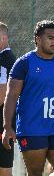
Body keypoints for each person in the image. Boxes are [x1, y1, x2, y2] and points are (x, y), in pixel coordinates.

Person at [2, 20, 54, 176]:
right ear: (37, 39)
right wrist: (7, 127)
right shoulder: (23, 63)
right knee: (35, 173)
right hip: (32, 129)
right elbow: (11, 95)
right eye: (50, 38)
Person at [0, 21, 16, 176]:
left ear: (3, 37)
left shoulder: (4, 60)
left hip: (3, 123)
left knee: (4, 168)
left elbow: (2, 94)